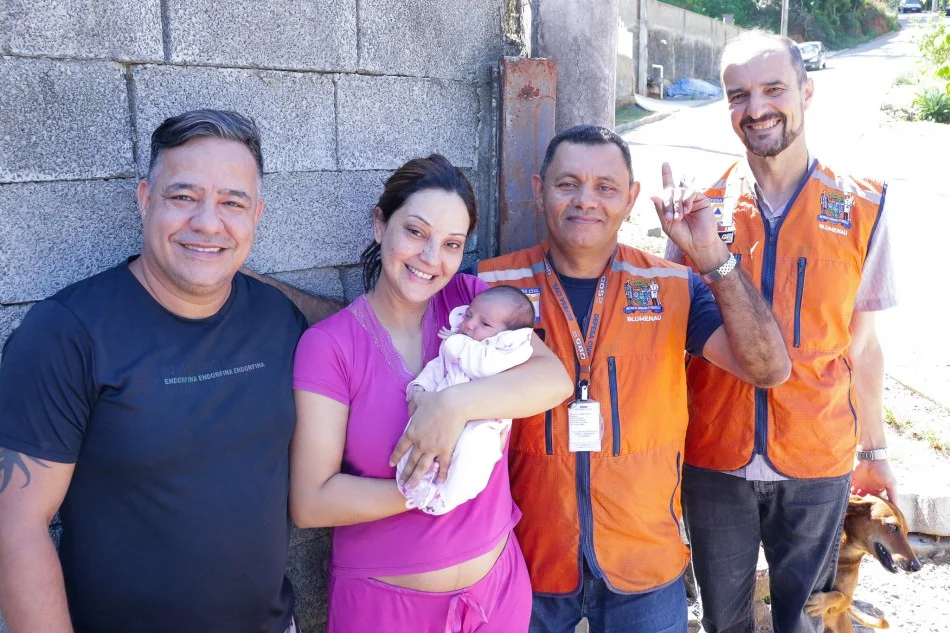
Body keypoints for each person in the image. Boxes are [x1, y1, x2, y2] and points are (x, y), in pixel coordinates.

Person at [0, 109, 341, 632]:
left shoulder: (278, 320)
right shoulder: (67, 332)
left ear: (257, 214)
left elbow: (359, 350)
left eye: (233, 203)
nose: (208, 221)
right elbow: (16, 527)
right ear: (144, 199)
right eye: (183, 197)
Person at [475, 124, 792, 633]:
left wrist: (712, 257)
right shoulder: (489, 286)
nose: (586, 201)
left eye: (606, 187)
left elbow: (769, 368)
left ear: (631, 198)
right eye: (567, 184)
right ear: (539, 190)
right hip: (523, 560)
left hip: (643, 566)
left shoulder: (673, 286)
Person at [665, 30, 898, 633]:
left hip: (817, 458)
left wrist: (874, 453)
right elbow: (667, 343)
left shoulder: (862, 205)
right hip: (715, 457)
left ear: (807, 91)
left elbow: (864, 347)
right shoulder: (699, 208)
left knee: (805, 621)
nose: (757, 107)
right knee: (724, 621)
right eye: (739, 94)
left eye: (773, 89)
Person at [288, 154, 572, 633]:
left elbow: (555, 381)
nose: (430, 258)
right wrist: (429, 490)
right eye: (416, 232)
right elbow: (312, 502)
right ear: (381, 225)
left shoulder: (469, 304)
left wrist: (452, 406)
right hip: (385, 610)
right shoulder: (331, 347)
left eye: (451, 243)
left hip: (498, 594)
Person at [398, 285, 537, 514]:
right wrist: (420, 388)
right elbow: (437, 367)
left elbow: (484, 366)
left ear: (506, 335)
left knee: (471, 454)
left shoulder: (507, 352)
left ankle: (447, 497)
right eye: (469, 315)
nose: (470, 324)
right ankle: (415, 483)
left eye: (485, 324)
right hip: (441, 413)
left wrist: (455, 343)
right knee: (415, 432)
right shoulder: (459, 343)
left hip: (483, 422)